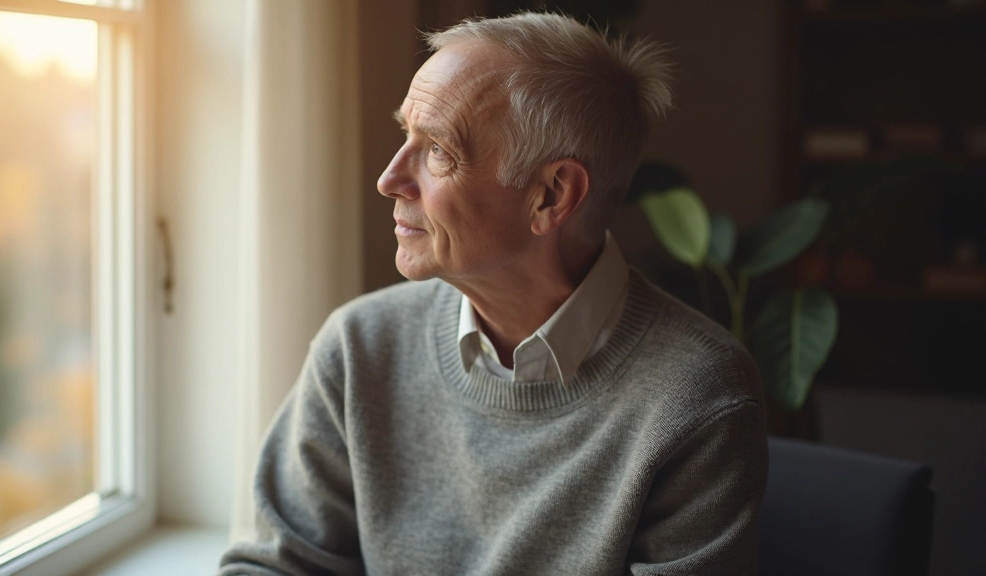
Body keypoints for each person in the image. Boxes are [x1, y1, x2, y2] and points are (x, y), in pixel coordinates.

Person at [220, 12, 767, 576]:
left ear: (551, 195)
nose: (389, 179)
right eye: (406, 135)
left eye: (438, 150)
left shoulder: (698, 398)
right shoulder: (359, 348)